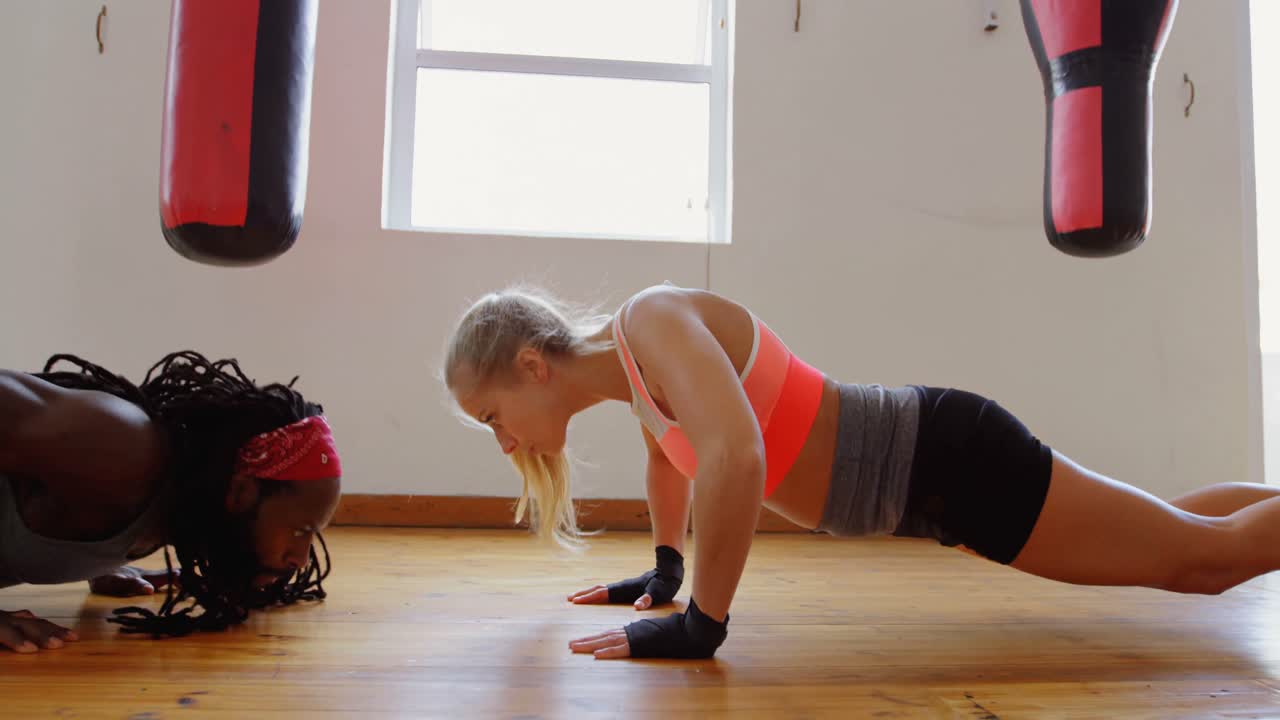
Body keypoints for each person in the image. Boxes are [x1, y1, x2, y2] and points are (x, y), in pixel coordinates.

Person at [443, 283, 1280, 660]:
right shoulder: (635, 371)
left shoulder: (651, 318)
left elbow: (736, 455)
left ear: (531, 366)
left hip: (946, 459)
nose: (505, 443)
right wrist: (666, 569)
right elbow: (672, 459)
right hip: (928, 488)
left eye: (492, 417)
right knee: (1177, 530)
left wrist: (705, 624)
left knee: (1201, 565)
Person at [0, 351, 342, 653]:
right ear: (241, 493)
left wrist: (94, 562)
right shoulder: (125, 448)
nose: (300, 560)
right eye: (300, 530)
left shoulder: (166, 509)